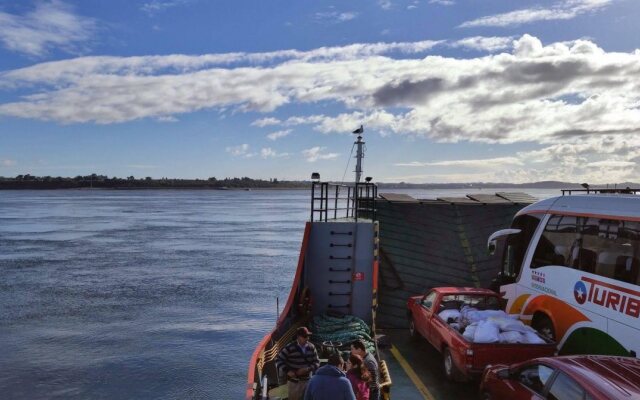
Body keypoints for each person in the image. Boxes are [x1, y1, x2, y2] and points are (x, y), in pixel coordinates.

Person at [276, 327, 320, 400]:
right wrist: (288, 371)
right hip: (294, 382)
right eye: (305, 336)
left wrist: (308, 369)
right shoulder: (289, 348)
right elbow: (278, 360)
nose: (307, 338)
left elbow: (317, 362)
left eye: (308, 336)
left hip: (307, 381)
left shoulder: (312, 347)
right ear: (299, 337)